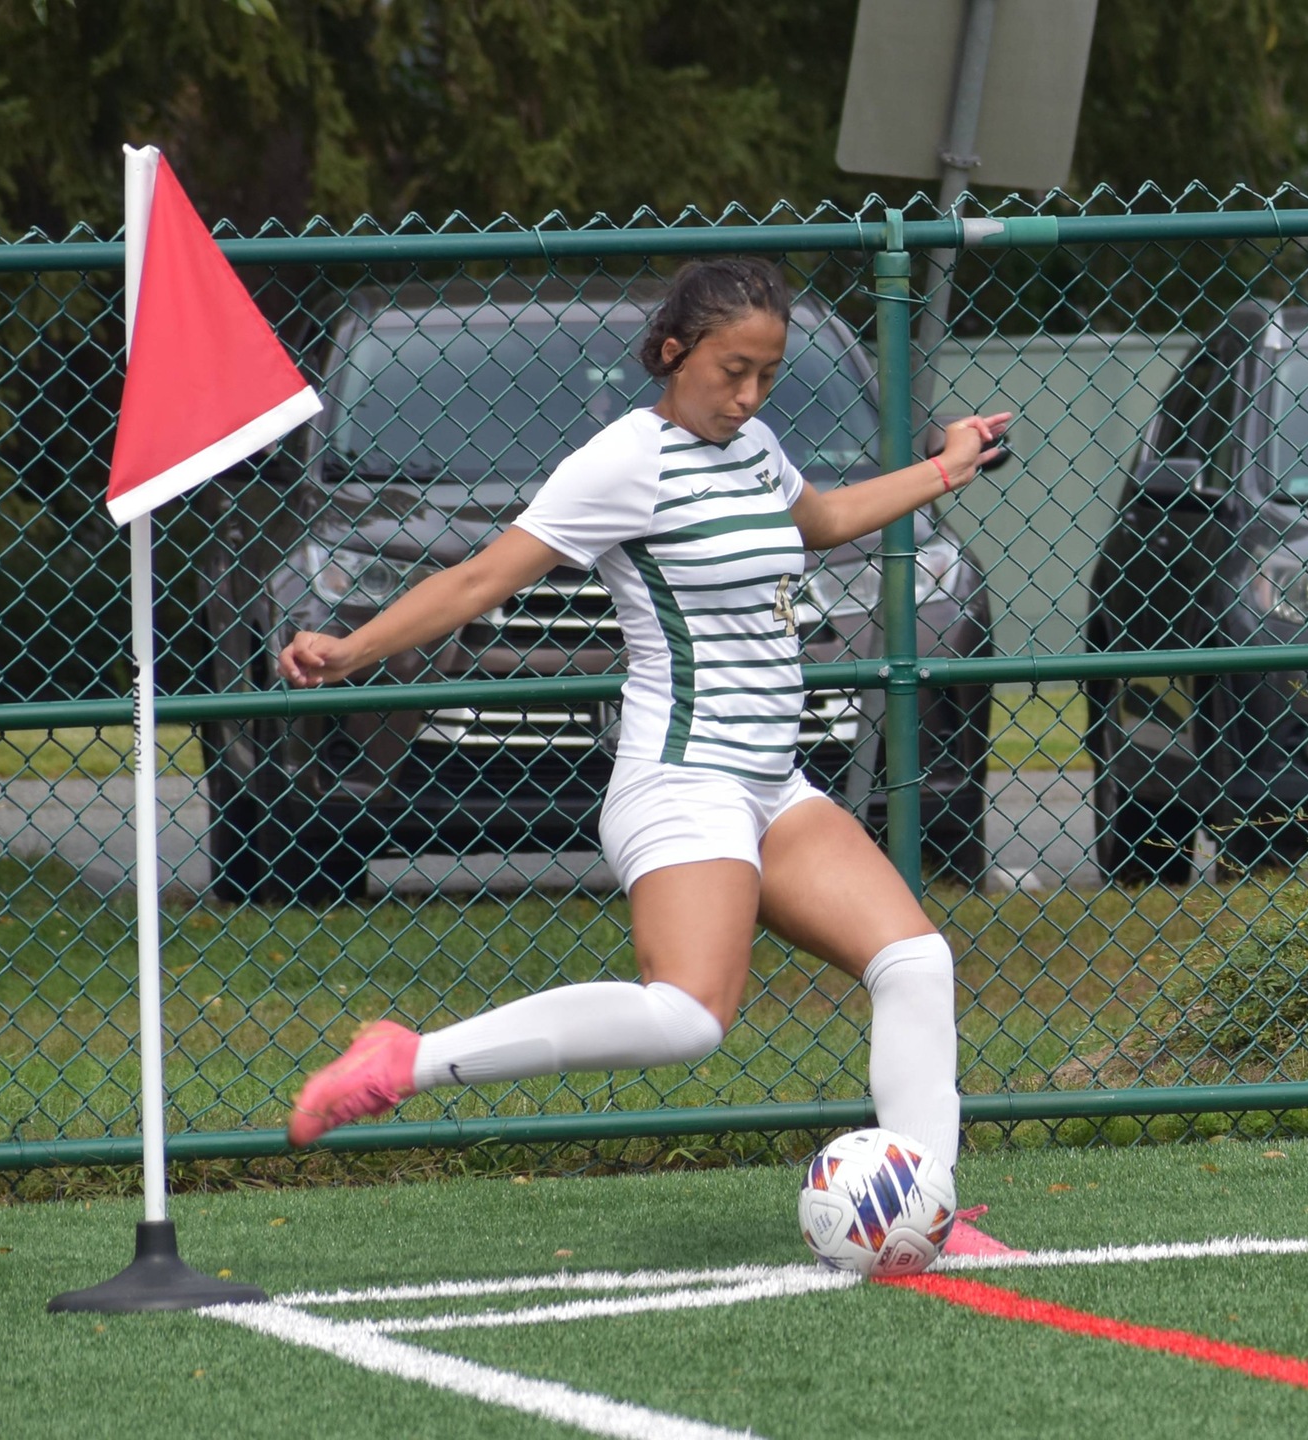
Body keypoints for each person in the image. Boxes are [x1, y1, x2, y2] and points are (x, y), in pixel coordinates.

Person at [277, 257, 1011, 1254]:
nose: (750, 395)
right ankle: (407, 1061)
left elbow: (821, 520)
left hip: (769, 784)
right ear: (673, 353)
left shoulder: (752, 445)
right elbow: (485, 573)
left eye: (767, 374)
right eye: (731, 371)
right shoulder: (625, 461)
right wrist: (353, 649)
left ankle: (924, 1212)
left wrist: (944, 467)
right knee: (687, 1018)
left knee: (917, 962)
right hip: (683, 780)